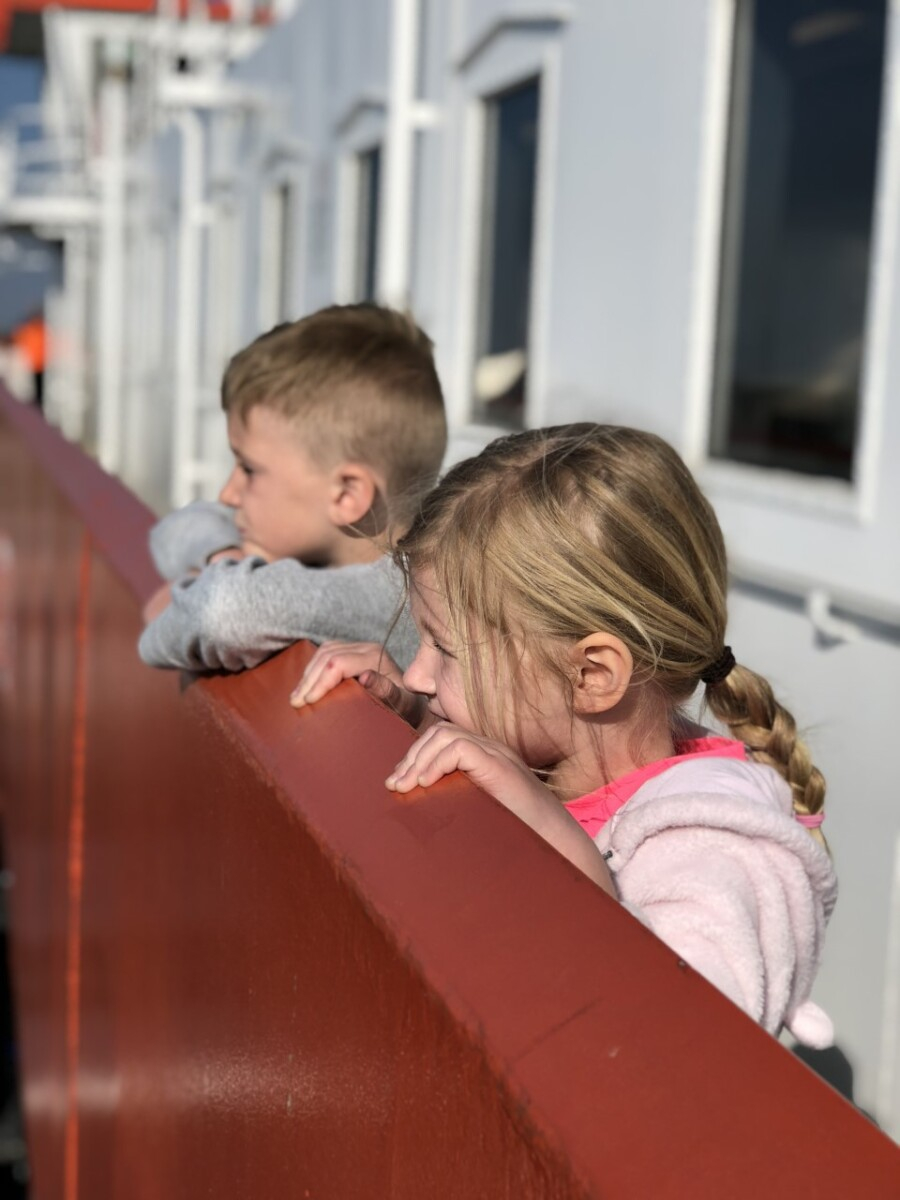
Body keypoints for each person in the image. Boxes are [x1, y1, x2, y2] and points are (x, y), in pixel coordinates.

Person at [292, 424, 838, 1046]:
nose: (418, 671)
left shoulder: (718, 851)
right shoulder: (556, 751)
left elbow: (678, 1044)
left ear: (592, 675)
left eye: (444, 648)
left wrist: (547, 829)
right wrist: (408, 714)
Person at [139, 304, 447, 672]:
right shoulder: (312, 542)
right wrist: (225, 557)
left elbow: (219, 612)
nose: (228, 494)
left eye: (249, 470)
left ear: (346, 495)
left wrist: (209, 587)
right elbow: (175, 529)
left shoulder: (401, 600)